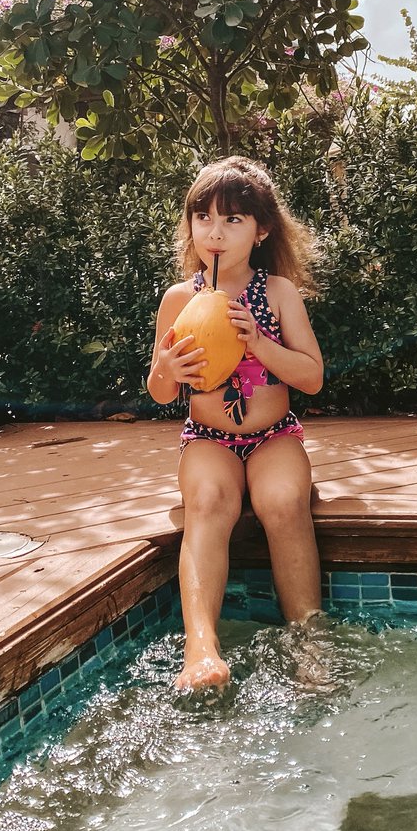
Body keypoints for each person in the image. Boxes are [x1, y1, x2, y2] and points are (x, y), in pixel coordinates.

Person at [147, 155, 325, 691]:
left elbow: (312, 377)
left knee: (284, 502)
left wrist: (260, 343)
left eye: (233, 219)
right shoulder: (181, 299)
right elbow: (160, 391)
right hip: (209, 439)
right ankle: (200, 648)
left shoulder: (277, 293)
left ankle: (308, 640)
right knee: (208, 502)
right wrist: (168, 369)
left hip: (273, 436)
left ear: (261, 229)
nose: (215, 232)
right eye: (203, 217)